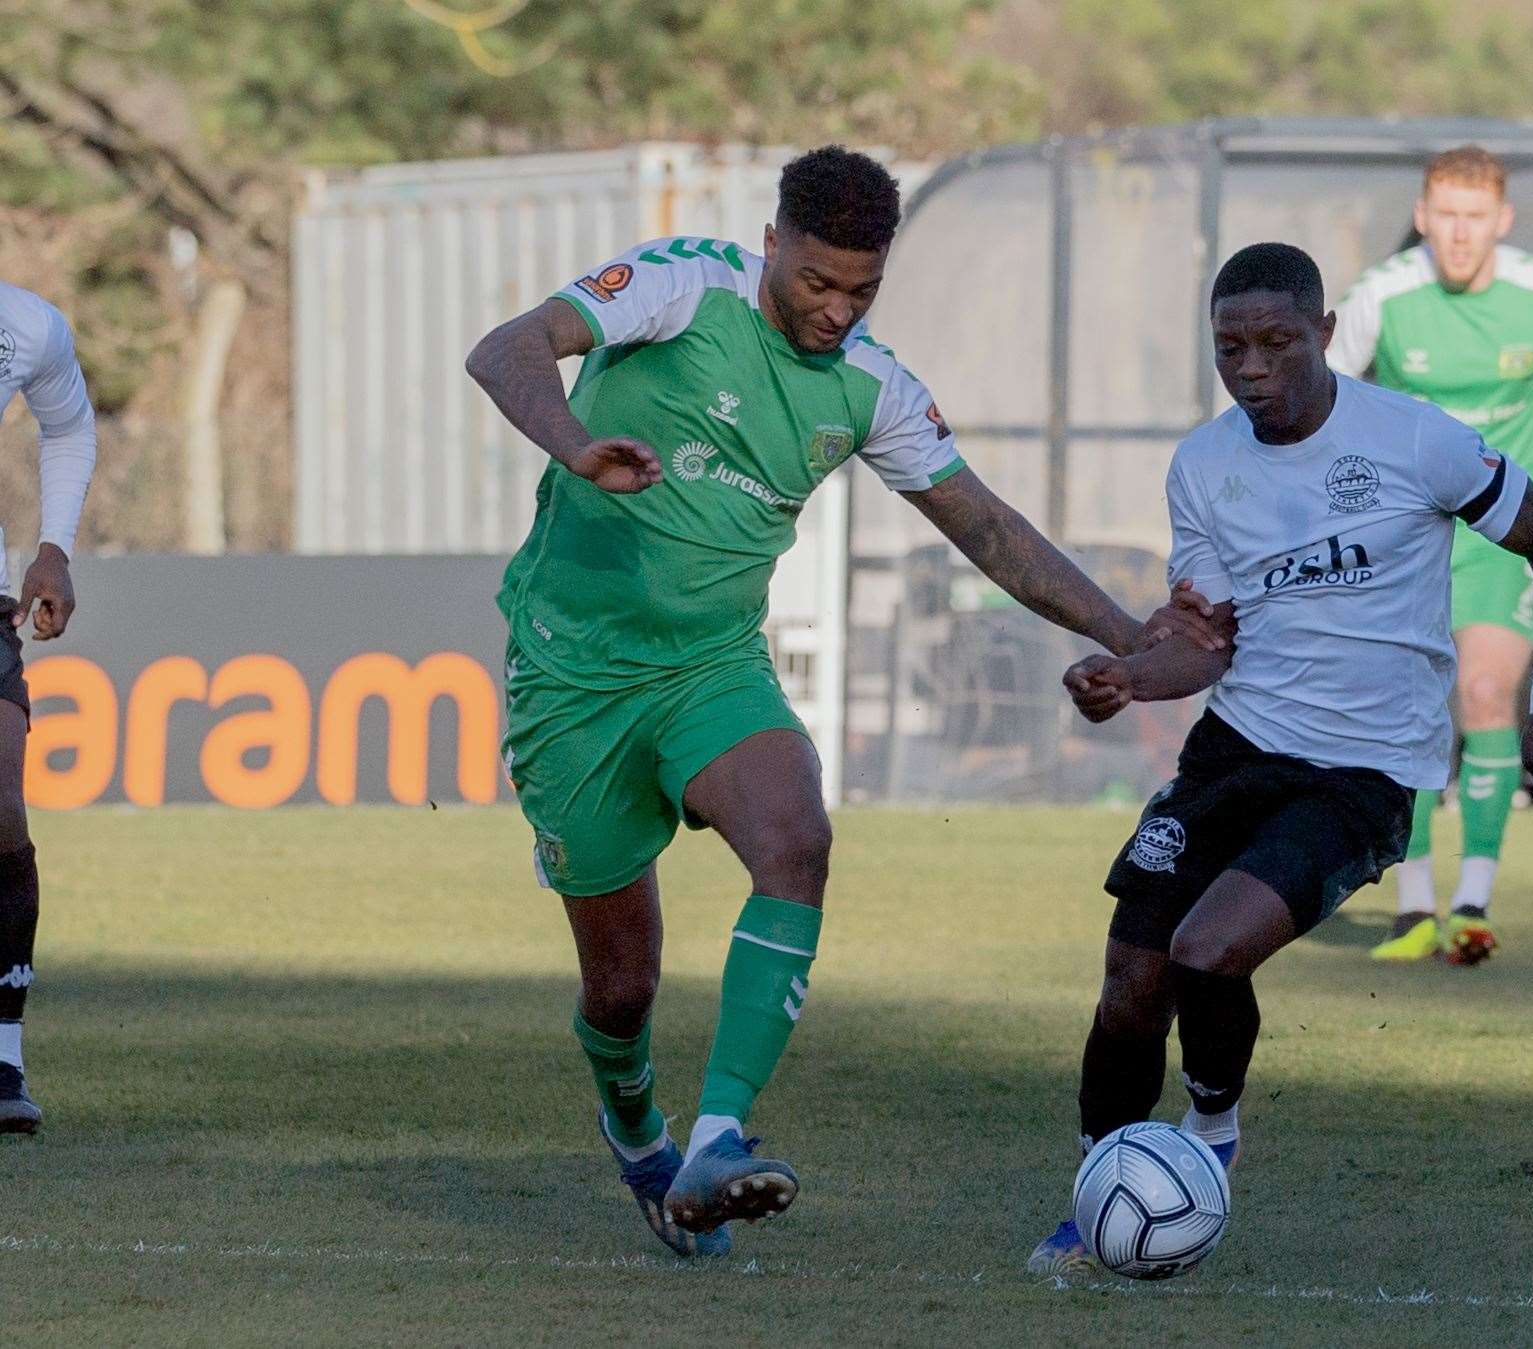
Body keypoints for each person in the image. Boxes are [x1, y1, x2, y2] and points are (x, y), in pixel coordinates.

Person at [466, 146, 1220, 1259]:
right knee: (622, 988)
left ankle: (719, 1138)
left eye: (859, 289)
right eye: (815, 282)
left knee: (796, 837)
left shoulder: (872, 386)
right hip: (570, 674)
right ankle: (639, 1135)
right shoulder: (683, 286)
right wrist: (575, 444)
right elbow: (504, 350)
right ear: (771, 245)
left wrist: (1130, 634)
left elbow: (990, 529)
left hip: (709, 667)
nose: (834, 309)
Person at [1025, 242, 1533, 1275]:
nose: (1250, 368)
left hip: (1362, 772)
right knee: (1127, 983)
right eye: (1228, 347)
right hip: (1233, 748)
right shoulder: (1201, 464)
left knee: (1205, 950)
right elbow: (1202, 639)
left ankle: (1208, 1134)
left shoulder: (1414, 440)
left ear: (1325, 334)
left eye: (1275, 342)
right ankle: (1097, 1192)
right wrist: (1124, 675)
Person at [1328, 145, 1533, 966]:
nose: (1459, 233)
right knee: (1408, 709)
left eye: (1476, 217)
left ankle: (1470, 902)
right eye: (1445, 215)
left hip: (1503, 530)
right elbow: (1320, 394)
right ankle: (1412, 907)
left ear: (1501, 221)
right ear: (1423, 215)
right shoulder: (1386, 295)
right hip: (1403, 536)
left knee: (1482, 688)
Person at [0, 281, 97, 1134]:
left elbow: (66, 425)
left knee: (2, 807)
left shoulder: (26, 324)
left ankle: (2, 1057)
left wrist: (54, 546)